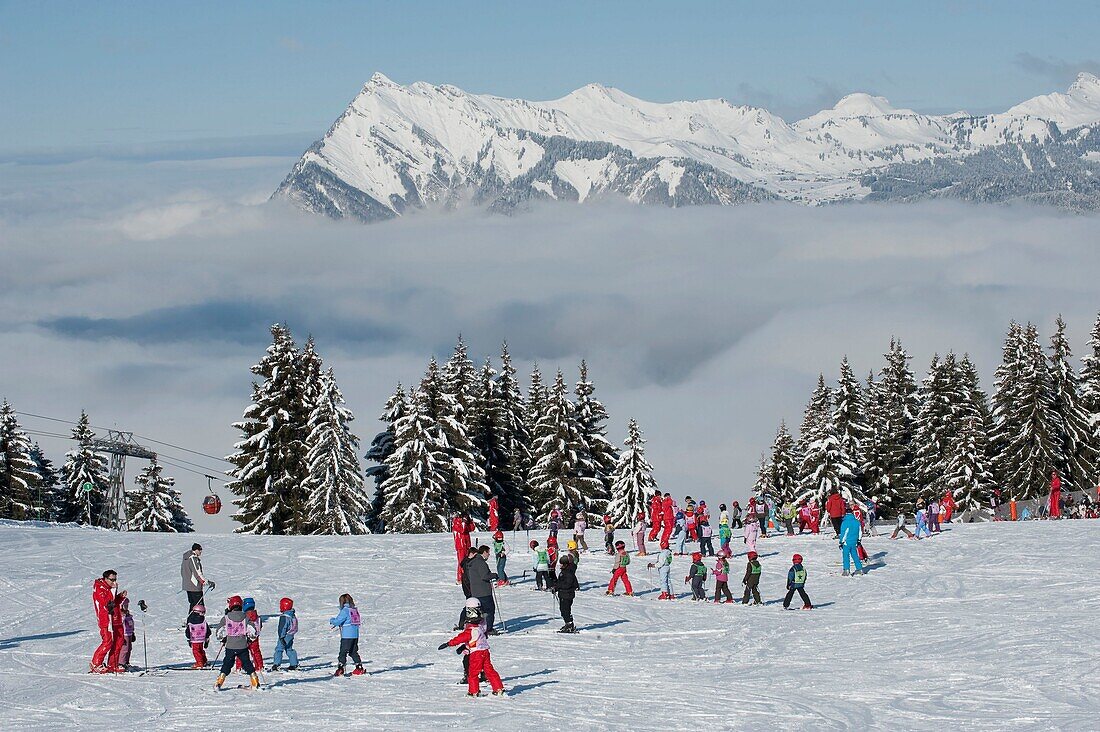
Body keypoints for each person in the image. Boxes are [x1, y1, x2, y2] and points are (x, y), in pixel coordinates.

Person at [440, 605, 506, 697]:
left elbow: (459, 638)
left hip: (476, 654)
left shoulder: (470, 631)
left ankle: (473, 691)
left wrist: (448, 643)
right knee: (489, 670)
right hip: (485, 651)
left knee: (473, 673)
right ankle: (498, 688)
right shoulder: (480, 629)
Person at [214, 595, 260, 690]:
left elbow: (219, 632)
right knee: (247, 663)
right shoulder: (245, 617)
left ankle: (219, 682)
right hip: (242, 646)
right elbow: (253, 632)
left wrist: (223, 639)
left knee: (227, 664)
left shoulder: (226, 618)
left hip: (230, 646)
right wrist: (249, 639)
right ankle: (255, 681)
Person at [329, 593, 364, 677]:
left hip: (347, 635)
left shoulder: (345, 610)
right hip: (355, 634)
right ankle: (359, 667)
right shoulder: (354, 610)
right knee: (353, 651)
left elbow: (338, 621)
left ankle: (340, 668)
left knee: (343, 652)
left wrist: (332, 620)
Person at [90, 569, 118, 673]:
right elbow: (107, 602)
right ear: (105, 579)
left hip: (109, 618)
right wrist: (113, 591)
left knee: (110, 641)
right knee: (107, 641)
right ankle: (96, 663)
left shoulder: (107, 587)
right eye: (112, 580)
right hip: (104, 619)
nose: (114, 582)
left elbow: (112, 602)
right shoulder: (100, 588)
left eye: (115, 580)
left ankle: (102, 663)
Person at [467, 546, 499, 633]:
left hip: (476, 591)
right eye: (488, 552)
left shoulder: (473, 562)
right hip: (484, 592)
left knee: (479, 612)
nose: (489, 554)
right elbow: (485, 576)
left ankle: (479, 628)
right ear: (484, 552)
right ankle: (488, 629)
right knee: (489, 611)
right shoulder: (480, 563)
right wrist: (494, 575)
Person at [181, 543, 213, 613]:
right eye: (199, 550)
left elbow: (183, 572)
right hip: (195, 587)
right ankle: (198, 623)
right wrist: (207, 582)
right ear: (195, 550)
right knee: (199, 607)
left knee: (193, 605)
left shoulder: (186, 558)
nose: (201, 551)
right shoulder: (193, 559)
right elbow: (198, 574)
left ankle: (191, 622)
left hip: (188, 586)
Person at [270, 597, 299, 671]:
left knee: (279, 649)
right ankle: (294, 664)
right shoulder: (292, 615)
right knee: (289, 649)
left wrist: (281, 637)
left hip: (285, 635)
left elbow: (282, 628)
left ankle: (276, 664)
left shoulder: (284, 617)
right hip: (291, 635)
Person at [555, 553, 580, 633]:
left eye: (561, 564)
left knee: (565, 610)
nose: (560, 566)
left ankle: (569, 624)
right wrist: (556, 587)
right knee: (563, 610)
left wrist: (558, 587)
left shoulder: (568, 572)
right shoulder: (565, 571)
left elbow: (568, 584)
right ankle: (568, 623)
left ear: (565, 564)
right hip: (564, 594)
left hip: (567, 594)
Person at [238, 598, 263, 674]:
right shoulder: (258, 617)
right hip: (255, 638)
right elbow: (260, 625)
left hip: (244, 638)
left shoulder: (244, 617)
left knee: (241, 652)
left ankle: (239, 667)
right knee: (256, 652)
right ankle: (259, 666)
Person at [839, 507, 865, 576]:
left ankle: (846, 570)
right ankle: (859, 569)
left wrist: (841, 542)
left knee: (846, 556)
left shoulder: (845, 522)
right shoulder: (857, 521)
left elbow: (844, 533)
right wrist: (859, 540)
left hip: (847, 542)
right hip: (854, 542)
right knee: (855, 555)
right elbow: (860, 531)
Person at [185, 603, 210, 669]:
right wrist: (207, 636)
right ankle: (204, 661)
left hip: (194, 639)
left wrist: (188, 637)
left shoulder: (190, 621)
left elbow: (188, 630)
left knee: (196, 651)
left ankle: (199, 663)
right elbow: (207, 629)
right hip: (201, 638)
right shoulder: (203, 621)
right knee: (201, 650)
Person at [452, 514, 475, 584]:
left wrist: (470, 521)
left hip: (467, 546)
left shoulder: (465, 523)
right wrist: (463, 522)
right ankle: (460, 578)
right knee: (462, 562)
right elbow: (462, 530)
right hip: (460, 547)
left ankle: (466, 576)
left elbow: (472, 528)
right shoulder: (456, 523)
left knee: (468, 561)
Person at [117, 596, 135, 671]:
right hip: (124, 634)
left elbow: (131, 624)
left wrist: (133, 633)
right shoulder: (120, 615)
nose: (126, 607)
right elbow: (120, 624)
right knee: (124, 649)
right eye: (125, 605)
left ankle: (126, 662)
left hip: (129, 633)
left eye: (127, 605)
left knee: (129, 648)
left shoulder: (128, 614)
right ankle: (121, 663)